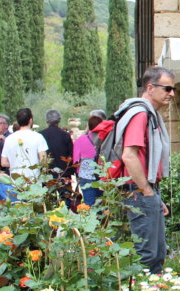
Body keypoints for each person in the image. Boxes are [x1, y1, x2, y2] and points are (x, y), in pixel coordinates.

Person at [114, 66, 174, 274]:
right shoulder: (140, 114)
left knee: (157, 252)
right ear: (150, 87)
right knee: (148, 255)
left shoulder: (149, 114)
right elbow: (129, 156)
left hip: (144, 189)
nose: (171, 94)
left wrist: (155, 195)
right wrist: (147, 191)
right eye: (167, 89)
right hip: (138, 191)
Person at [0, 108, 49, 200]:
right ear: (31, 120)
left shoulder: (9, 139)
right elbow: (44, 161)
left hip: (16, 183)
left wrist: (16, 163)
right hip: (34, 183)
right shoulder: (38, 137)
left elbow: (3, 162)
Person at [72, 111, 106, 207]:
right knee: (103, 205)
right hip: (102, 178)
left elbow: (75, 161)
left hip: (86, 177)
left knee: (89, 205)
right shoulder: (105, 139)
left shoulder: (81, 140)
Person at [41, 109, 74, 178]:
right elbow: (71, 155)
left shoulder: (41, 135)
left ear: (47, 120)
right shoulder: (65, 135)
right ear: (59, 120)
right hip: (63, 173)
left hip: (47, 174)